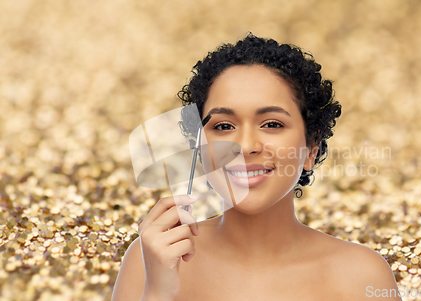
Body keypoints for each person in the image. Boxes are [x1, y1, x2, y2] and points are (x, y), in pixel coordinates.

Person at [112, 33, 401, 301]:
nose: (245, 145)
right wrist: (157, 293)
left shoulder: (362, 277)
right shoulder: (150, 259)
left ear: (312, 148)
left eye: (272, 124)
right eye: (224, 126)